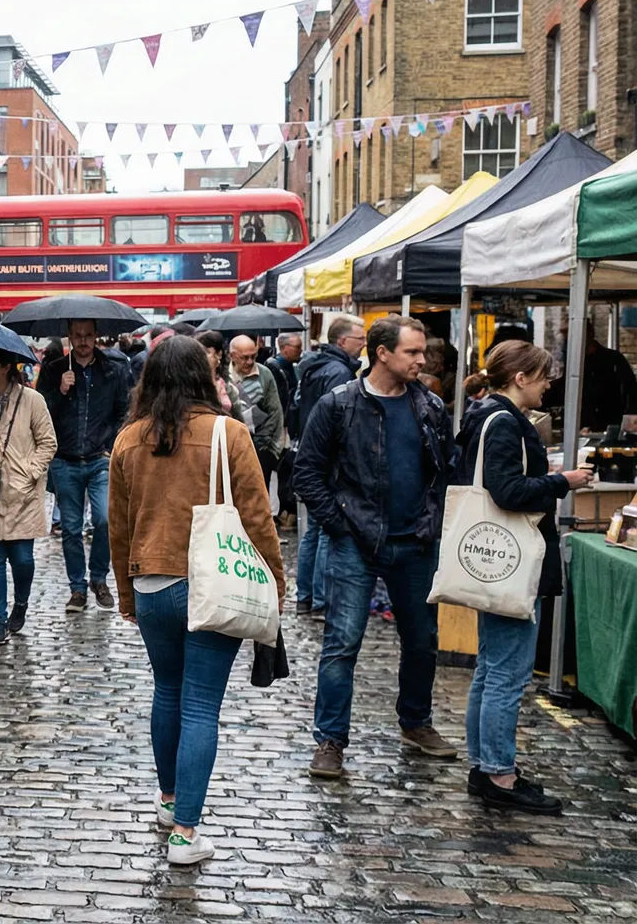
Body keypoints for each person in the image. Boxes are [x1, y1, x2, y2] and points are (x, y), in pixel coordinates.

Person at [109, 336, 284, 866]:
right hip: (212, 580)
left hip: (151, 583)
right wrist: (275, 582)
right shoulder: (227, 435)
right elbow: (257, 517)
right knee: (201, 704)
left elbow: (116, 528)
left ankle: (168, 803)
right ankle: (186, 833)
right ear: (203, 378)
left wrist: (124, 592)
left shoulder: (128, 441)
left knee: (167, 691)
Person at [295, 315, 459, 779]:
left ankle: (416, 723)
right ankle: (330, 740)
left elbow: (442, 469)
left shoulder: (428, 405)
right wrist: (340, 525)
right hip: (356, 542)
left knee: (423, 641)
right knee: (342, 643)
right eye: (412, 352)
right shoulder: (339, 404)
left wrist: (433, 520)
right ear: (382, 353)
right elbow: (307, 473)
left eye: (422, 352)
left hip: (415, 542)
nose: (422, 360)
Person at [454, 341, 592, 815]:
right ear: (520, 378)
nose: (548, 383)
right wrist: (561, 482)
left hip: (496, 559)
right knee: (506, 673)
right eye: (543, 375)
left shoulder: (486, 415)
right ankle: (499, 773)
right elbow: (509, 490)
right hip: (509, 561)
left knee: (493, 669)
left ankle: (486, 765)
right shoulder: (504, 422)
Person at [0, 346, 57, 646]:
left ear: (6, 367)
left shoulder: (32, 401)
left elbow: (47, 442)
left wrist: (29, 472)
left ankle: (22, 604)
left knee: (22, 559)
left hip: (22, 494)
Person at [40, 319, 132, 611]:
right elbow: (41, 412)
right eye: (77, 336)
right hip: (65, 459)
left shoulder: (113, 370)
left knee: (105, 519)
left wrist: (111, 446)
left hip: (99, 459)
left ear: (96, 337)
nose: (82, 341)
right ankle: (77, 588)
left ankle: (99, 578)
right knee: (70, 527)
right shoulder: (54, 370)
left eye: (88, 335)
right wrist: (60, 391)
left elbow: (124, 412)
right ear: (69, 336)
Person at [293, 315, 366, 617]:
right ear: (342, 341)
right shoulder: (338, 372)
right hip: (327, 460)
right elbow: (340, 420)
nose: (364, 345)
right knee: (325, 530)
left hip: (314, 454)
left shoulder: (316, 366)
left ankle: (305, 595)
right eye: (360, 339)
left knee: (313, 532)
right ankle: (321, 599)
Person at [228, 335, 284, 478]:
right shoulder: (223, 376)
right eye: (244, 358)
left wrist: (268, 448)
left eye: (253, 356)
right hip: (230, 446)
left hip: (259, 446)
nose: (250, 362)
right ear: (232, 356)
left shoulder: (264, 374)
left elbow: (275, 411)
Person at [266, 333, 304, 521]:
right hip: (280, 425)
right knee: (280, 469)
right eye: (297, 347)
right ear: (285, 347)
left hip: (287, 423)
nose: (300, 351)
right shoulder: (274, 368)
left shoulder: (291, 367)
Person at [580, 334, 637, 431]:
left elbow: (630, 389)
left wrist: (631, 415)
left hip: (612, 425)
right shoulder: (576, 361)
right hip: (584, 425)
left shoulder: (614, 359)